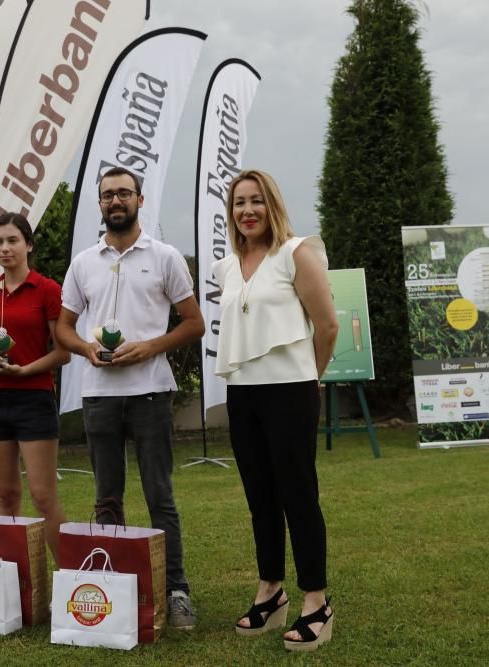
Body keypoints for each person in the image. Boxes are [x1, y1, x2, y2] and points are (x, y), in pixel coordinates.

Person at [55, 166, 206, 629]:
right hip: (99, 395)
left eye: (124, 193)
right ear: (99, 205)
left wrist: (149, 346)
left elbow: (193, 323)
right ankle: (110, 586)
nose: (115, 201)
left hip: (150, 394)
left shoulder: (164, 258)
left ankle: (176, 589)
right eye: (107, 195)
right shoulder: (83, 262)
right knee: (106, 498)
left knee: (160, 496)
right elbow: (62, 328)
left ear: (140, 200)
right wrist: (85, 349)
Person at [211, 169, 339, 652]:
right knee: (259, 497)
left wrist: (312, 379)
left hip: (291, 390)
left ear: (273, 205)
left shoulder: (297, 252)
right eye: (240, 202)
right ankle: (270, 589)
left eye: (257, 201)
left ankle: (316, 600)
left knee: (298, 495)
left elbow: (326, 327)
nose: (248, 211)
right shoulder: (226, 266)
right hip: (243, 395)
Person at [0, 212, 70, 558]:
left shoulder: (47, 290)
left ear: (28, 244)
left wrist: (25, 371)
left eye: (13, 241)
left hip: (34, 399)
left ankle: (71, 577)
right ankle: (17, 581)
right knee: (7, 495)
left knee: (43, 495)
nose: (5, 248)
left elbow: (63, 352)